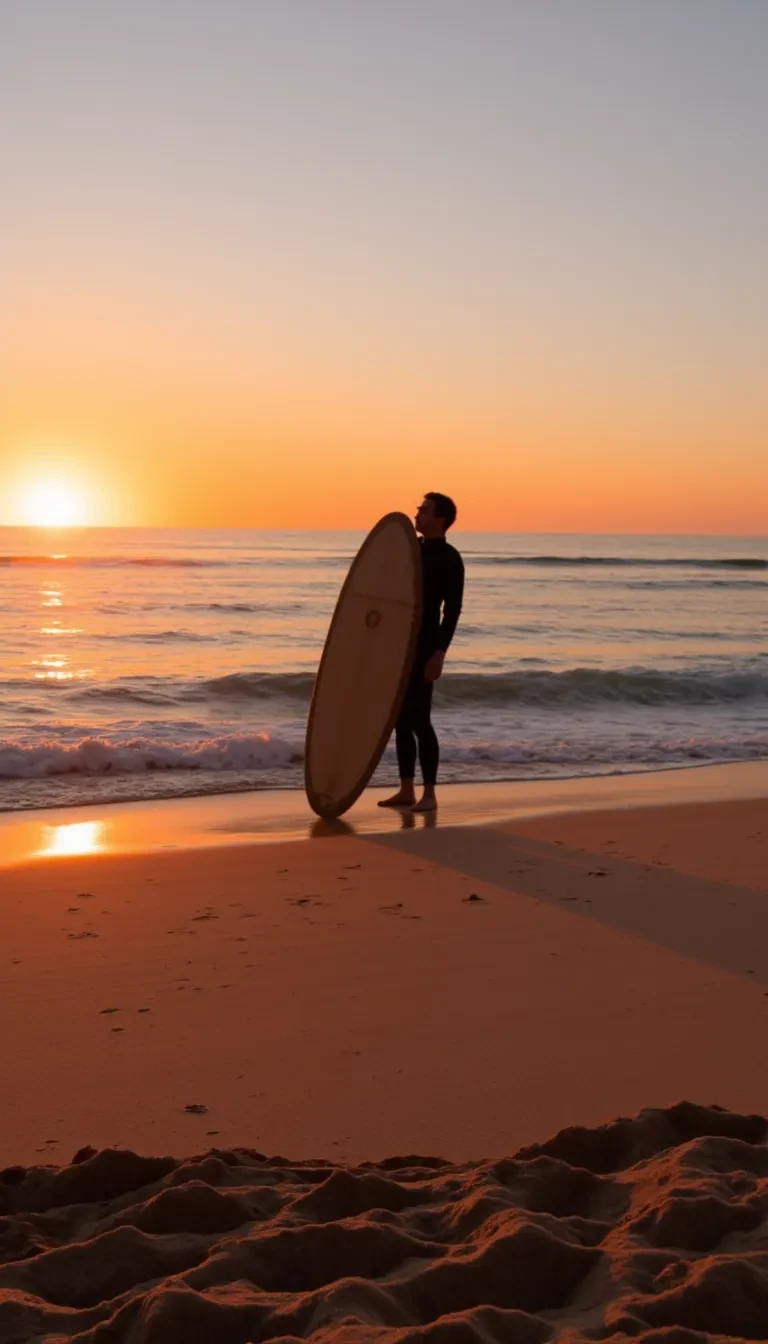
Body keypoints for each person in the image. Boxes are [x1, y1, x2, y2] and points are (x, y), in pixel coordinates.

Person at [379, 492, 464, 812]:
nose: (417, 513)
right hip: (399, 646)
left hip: (426, 646)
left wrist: (439, 653)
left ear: (440, 518)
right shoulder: (411, 550)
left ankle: (429, 794)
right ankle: (405, 790)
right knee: (400, 719)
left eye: (423, 510)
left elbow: (452, 611)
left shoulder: (450, 559)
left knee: (419, 720)